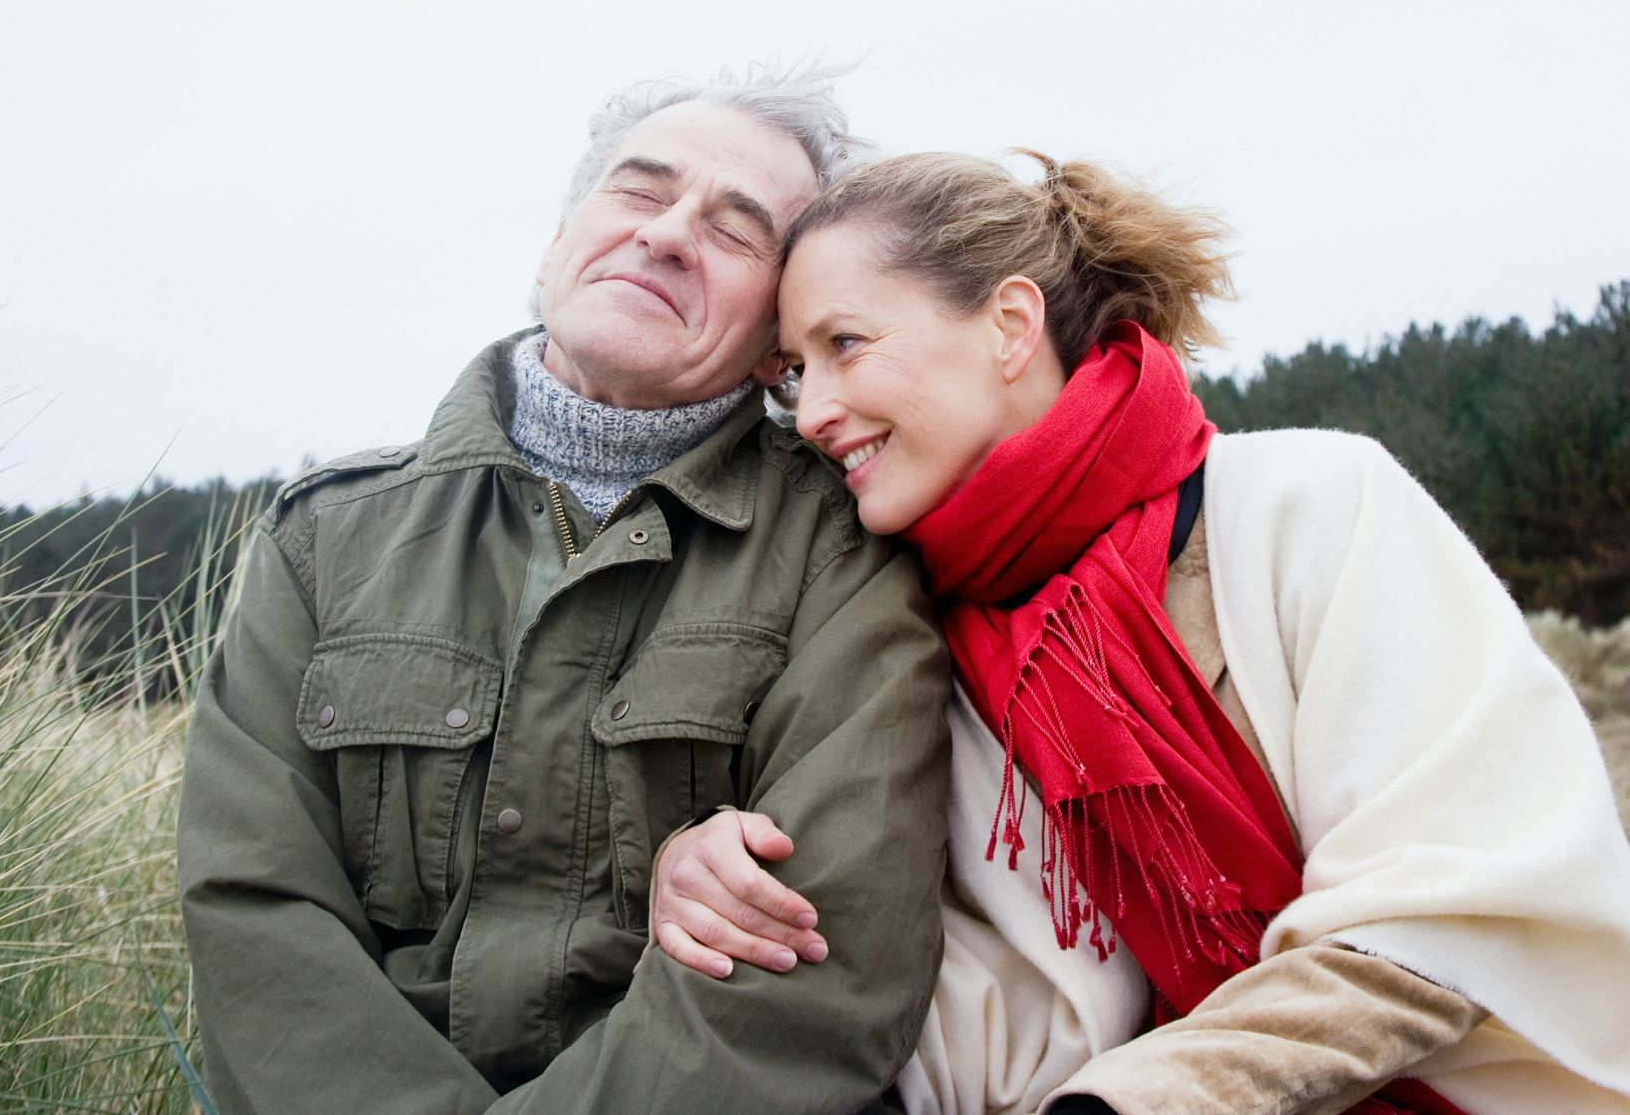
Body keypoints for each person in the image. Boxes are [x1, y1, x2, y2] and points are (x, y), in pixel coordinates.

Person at [652, 150, 1630, 1113]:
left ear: (1007, 325)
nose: (814, 412)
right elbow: (994, 1024)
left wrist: (1145, 1101)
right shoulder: (926, 633)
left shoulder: (1311, 502)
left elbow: (1446, 902)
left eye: (847, 345)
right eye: (791, 376)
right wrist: (702, 865)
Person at [174, 65, 954, 1115]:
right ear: (556, 242)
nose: (669, 233)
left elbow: (820, 951)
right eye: (639, 190)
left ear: (781, 336)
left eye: (735, 230)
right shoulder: (325, 536)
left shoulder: (841, 550)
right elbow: (256, 913)